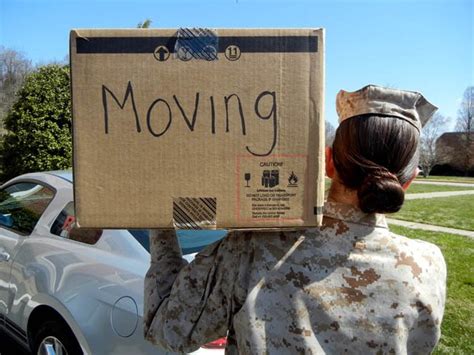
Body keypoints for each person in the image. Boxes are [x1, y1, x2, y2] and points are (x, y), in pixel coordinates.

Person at [144, 85, 447, 354]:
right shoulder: (428, 267)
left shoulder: (252, 249)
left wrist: (157, 215)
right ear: (409, 181)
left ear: (328, 162)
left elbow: (169, 329)